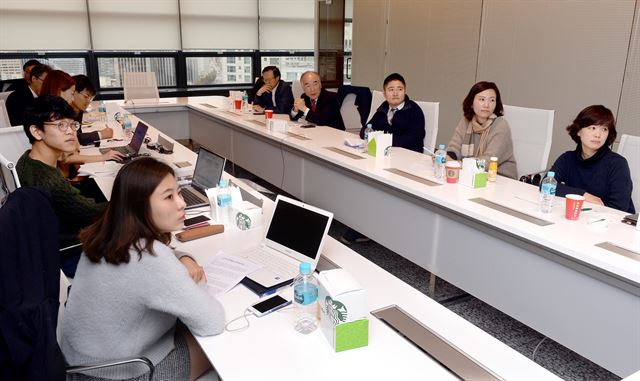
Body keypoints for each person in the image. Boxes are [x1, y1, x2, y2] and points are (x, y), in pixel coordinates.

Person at [62, 157, 225, 381]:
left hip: (78, 365)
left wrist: (184, 257)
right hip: (126, 373)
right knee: (221, 346)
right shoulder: (150, 259)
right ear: (139, 204)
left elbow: (151, 265)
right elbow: (211, 321)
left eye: (179, 193)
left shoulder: (105, 234)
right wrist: (198, 282)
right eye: (169, 197)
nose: (181, 203)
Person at [16, 96, 106, 277]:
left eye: (73, 125)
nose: (70, 132)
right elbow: (94, 214)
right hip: (69, 254)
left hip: (49, 247)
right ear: (36, 131)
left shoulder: (27, 160)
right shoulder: (49, 181)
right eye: (60, 125)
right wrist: (131, 197)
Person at [549, 105, 634, 213]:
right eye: (592, 128)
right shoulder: (568, 158)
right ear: (579, 131)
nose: (598, 135)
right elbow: (546, 184)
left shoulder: (618, 164)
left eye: (604, 129)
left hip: (613, 224)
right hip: (581, 218)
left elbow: (618, 209)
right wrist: (583, 195)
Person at [40, 71, 122, 167]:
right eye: (71, 93)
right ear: (59, 91)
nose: (71, 99)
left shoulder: (60, 113)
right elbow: (65, 158)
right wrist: (104, 156)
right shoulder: (52, 118)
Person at [445, 81, 518, 179]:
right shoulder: (466, 121)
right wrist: (447, 157)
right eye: (482, 99)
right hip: (471, 175)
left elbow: (488, 161)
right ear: (471, 102)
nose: (487, 105)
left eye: (492, 100)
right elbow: (454, 146)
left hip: (499, 178)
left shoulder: (501, 126)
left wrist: (459, 164)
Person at [361, 73, 424, 152]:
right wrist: (381, 139)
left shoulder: (414, 110)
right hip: (386, 152)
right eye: (391, 90)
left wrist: (383, 139)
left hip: (409, 156)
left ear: (405, 91)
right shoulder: (383, 108)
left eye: (400, 89)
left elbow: (415, 138)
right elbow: (365, 130)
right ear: (384, 93)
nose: (395, 93)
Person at [71, 74, 114, 144]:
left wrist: (99, 133)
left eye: (90, 98)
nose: (88, 101)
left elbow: (78, 133)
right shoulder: (61, 110)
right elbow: (72, 138)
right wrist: (100, 134)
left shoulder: (79, 109)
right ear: (73, 92)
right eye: (86, 96)